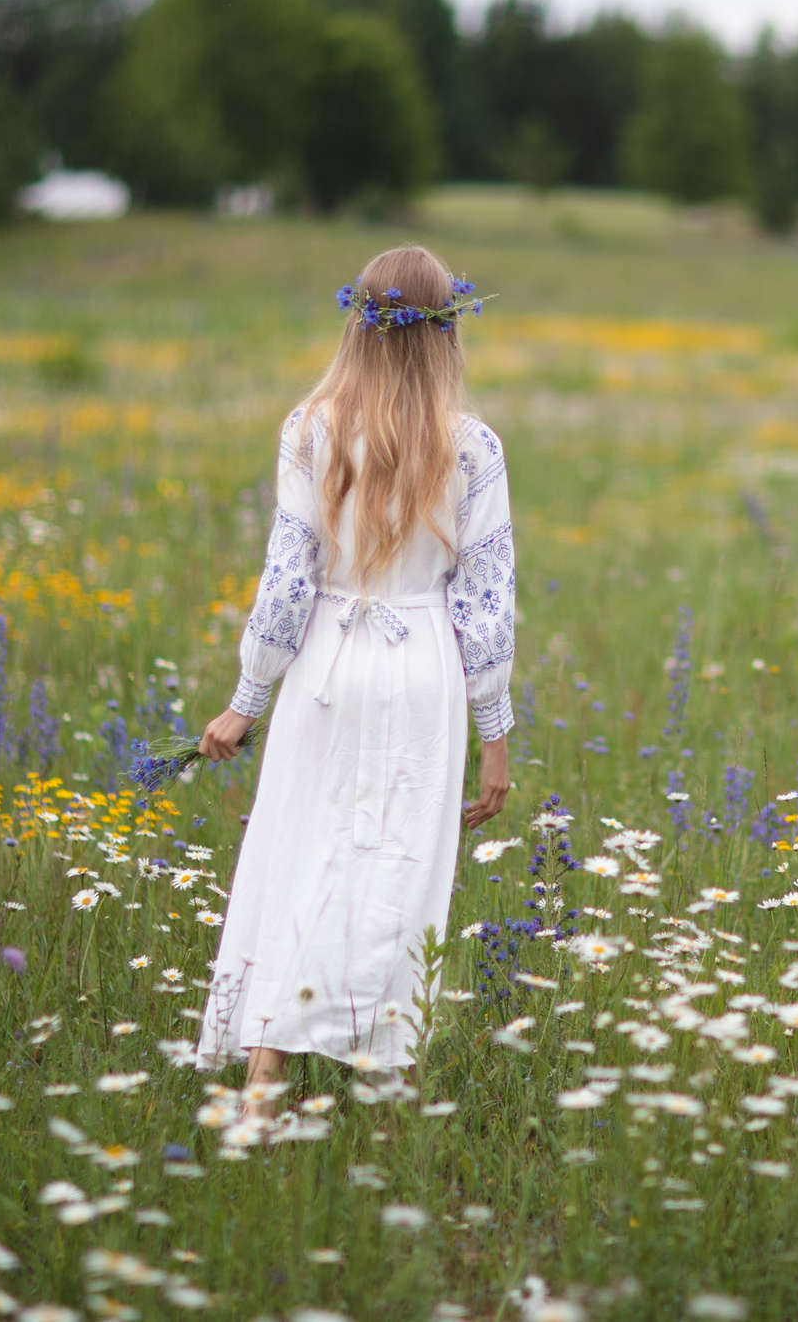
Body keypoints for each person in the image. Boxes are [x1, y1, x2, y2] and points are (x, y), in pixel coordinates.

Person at [193, 245, 516, 1093]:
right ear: (448, 332)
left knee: (303, 853)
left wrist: (247, 698)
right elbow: (486, 601)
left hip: (327, 665)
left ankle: (268, 1068)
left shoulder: (312, 429)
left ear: (358, 323)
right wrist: (496, 735)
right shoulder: (475, 448)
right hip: (423, 676)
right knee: (396, 870)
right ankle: (377, 1075)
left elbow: (289, 576)